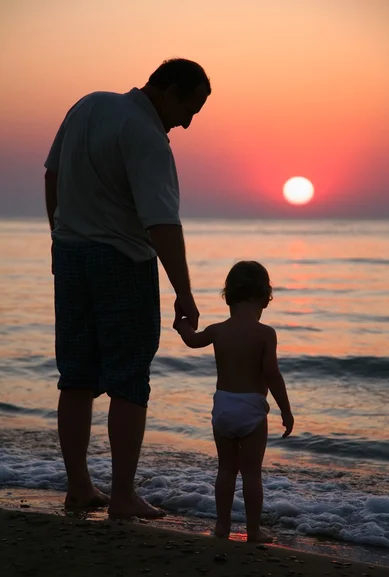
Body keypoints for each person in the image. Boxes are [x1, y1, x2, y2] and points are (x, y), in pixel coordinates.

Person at [44, 58, 211, 518]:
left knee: (76, 376)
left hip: (72, 257)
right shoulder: (149, 139)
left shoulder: (88, 106)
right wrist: (184, 292)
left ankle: (79, 488)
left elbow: (51, 174)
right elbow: (161, 223)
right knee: (129, 378)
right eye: (190, 108)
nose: (188, 122)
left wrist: (58, 236)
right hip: (123, 262)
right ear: (170, 90)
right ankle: (121, 495)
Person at [175, 261, 294, 542]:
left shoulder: (217, 330)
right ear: (265, 298)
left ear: (228, 296)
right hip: (252, 408)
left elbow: (192, 340)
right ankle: (253, 531)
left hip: (224, 407)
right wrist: (285, 410)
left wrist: (180, 325)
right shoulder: (266, 333)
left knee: (226, 470)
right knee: (252, 474)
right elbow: (271, 374)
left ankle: (222, 528)